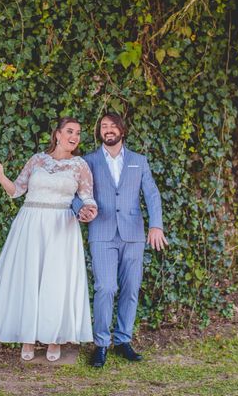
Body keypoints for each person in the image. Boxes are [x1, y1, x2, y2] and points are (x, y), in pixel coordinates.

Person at [0, 117, 97, 362]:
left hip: (62, 226)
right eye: (70, 131)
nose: (75, 136)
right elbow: (17, 190)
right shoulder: (37, 160)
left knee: (56, 281)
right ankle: (28, 337)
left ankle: (54, 339)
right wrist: (0, 176)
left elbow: (88, 198)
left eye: (79, 133)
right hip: (30, 224)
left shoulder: (80, 165)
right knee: (28, 277)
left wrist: (89, 211)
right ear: (58, 134)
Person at [73, 112, 168, 368]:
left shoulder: (139, 161)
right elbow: (73, 191)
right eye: (104, 126)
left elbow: (152, 194)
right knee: (106, 288)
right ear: (100, 132)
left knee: (131, 288)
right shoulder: (88, 161)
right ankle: (101, 344)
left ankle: (124, 339)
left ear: (122, 130)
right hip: (101, 233)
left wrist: (156, 225)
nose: (108, 130)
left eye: (113, 126)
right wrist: (78, 208)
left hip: (133, 234)